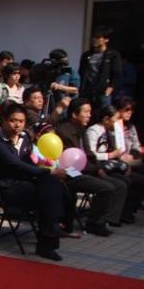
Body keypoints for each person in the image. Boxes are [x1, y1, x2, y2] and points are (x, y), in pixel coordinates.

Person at [0, 103, 65, 261]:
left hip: (26, 182)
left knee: (51, 184)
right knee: (47, 193)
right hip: (8, 187)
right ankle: (51, 232)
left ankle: (53, 228)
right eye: (13, 120)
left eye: (21, 121)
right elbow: (17, 164)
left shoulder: (25, 138)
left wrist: (47, 167)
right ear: (4, 121)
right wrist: (47, 171)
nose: (17, 125)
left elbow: (31, 162)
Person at [55, 98, 127, 234]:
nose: (89, 115)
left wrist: (98, 168)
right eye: (86, 112)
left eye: (90, 112)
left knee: (119, 184)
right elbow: (73, 160)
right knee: (106, 188)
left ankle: (107, 219)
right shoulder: (64, 131)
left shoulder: (82, 129)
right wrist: (96, 170)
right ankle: (94, 223)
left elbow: (89, 154)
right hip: (72, 172)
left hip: (87, 169)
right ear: (75, 114)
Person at [86, 104, 144, 219]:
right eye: (116, 119)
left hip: (112, 165)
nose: (118, 122)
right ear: (106, 119)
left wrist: (124, 164)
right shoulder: (93, 131)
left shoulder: (110, 131)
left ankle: (126, 212)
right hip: (99, 166)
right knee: (123, 183)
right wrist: (110, 155)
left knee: (139, 180)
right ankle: (112, 217)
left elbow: (118, 150)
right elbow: (91, 155)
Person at [79, 26, 122, 106]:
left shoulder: (112, 55)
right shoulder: (86, 55)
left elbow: (117, 74)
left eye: (98, 37)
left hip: (103, 92)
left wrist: (110, 89)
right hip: (87, 91)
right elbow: (81, 72)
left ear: (106, 39)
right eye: (94, 37)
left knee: (103, 115)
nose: (94, 40)